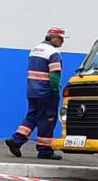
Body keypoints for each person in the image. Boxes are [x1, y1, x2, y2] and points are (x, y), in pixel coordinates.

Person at [5, 25, 66, 160]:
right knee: (48, 119)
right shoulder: (53, 53)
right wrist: (56, 90)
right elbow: (55, 75)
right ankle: (44, 151)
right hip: (46, 91)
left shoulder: (34, 50)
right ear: (54, 38)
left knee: (32, 116)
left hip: (32, 90)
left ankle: (16, 140)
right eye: (61, 38)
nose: (62, 42)